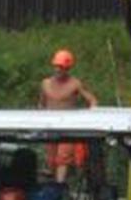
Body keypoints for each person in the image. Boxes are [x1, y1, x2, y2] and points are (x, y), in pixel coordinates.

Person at [39, 49, 98, 182]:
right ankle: (52, 186)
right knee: (51, 159)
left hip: (67, 127)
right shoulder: (45, 84)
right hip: (49, 126)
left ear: (68, 68)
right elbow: (41, 105)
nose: (58, 70)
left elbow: (92, 100)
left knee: (63, 158)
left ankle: (59, 186)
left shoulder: (75, 83)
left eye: (62, 67)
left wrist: (89, 119)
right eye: (56, 66)